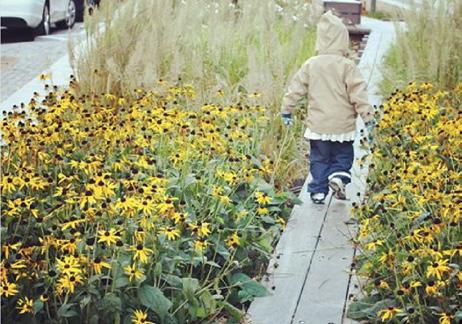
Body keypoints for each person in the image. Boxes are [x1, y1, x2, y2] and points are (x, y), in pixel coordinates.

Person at [280, 11, 374, 204]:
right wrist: (368, 119)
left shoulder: (311, 65)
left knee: (319, 159)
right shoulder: (347, 66)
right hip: (343, 126)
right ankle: (338, 177)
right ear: (343, 40)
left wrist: (286, 110)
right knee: (343, 156)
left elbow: (295, 89)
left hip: (318, 126)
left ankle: (318, 191)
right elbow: (360, 95)